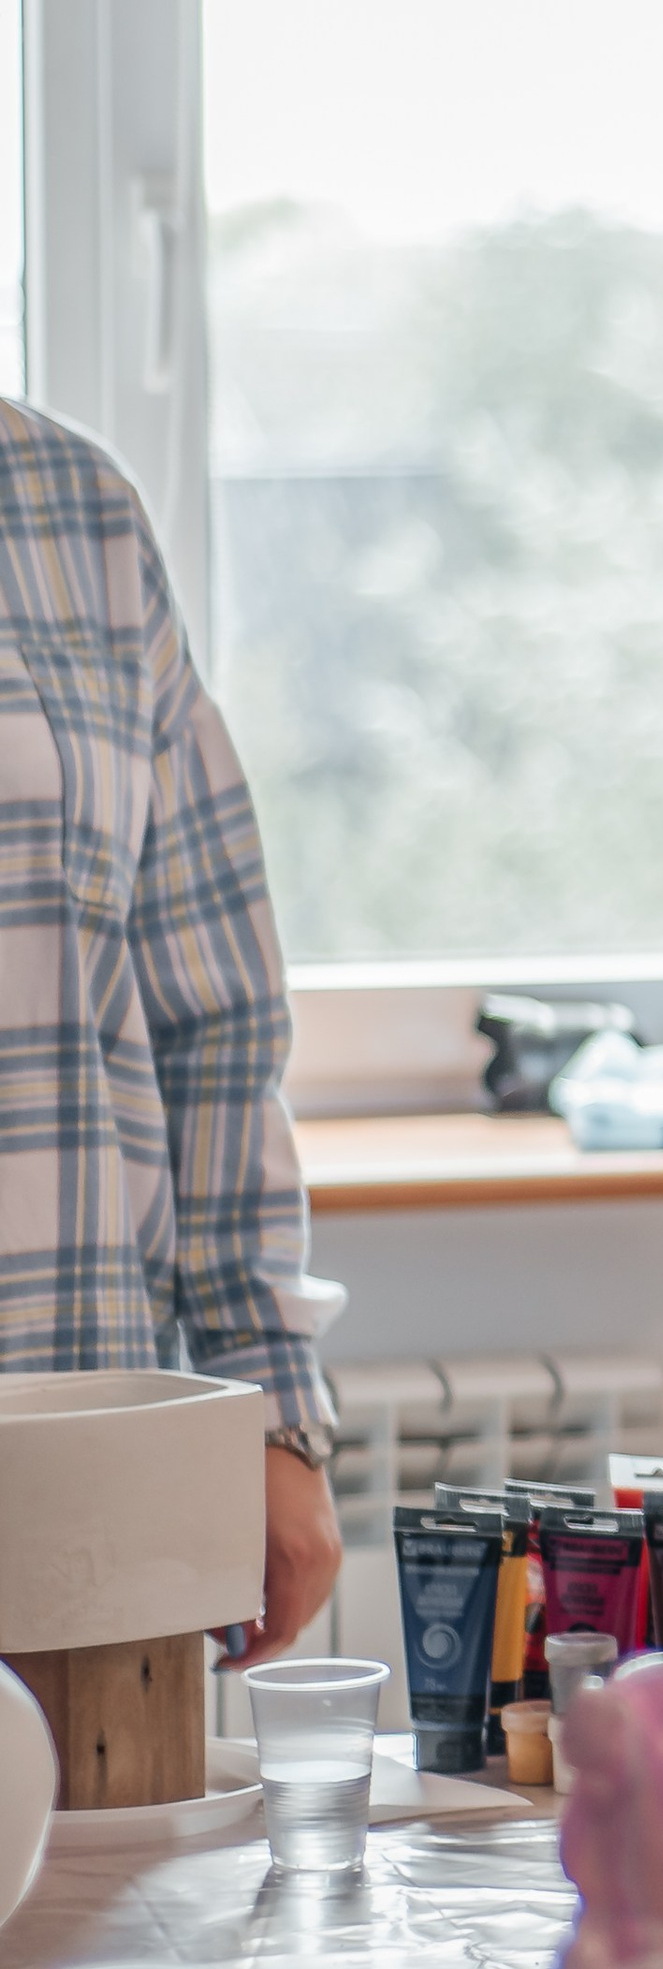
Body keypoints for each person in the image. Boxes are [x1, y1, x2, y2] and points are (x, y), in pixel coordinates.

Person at [0, 396, 341, 1660]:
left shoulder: (78, 510)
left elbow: (215, 1018)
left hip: (92, 1481)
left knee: (118, 1863)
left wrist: (271, 1417)